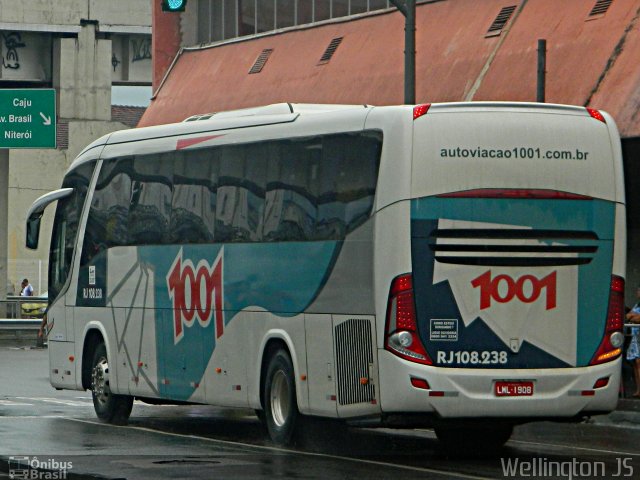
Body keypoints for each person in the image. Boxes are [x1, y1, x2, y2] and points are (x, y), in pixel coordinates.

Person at [626, 286, 640, 398]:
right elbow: (628, 316)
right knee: (635, 363)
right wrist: (633, 316)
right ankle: (638, 389)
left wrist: (633, 316)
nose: (638, 292)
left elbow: (636, 318)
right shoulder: (637, 304)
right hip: (636, 337)